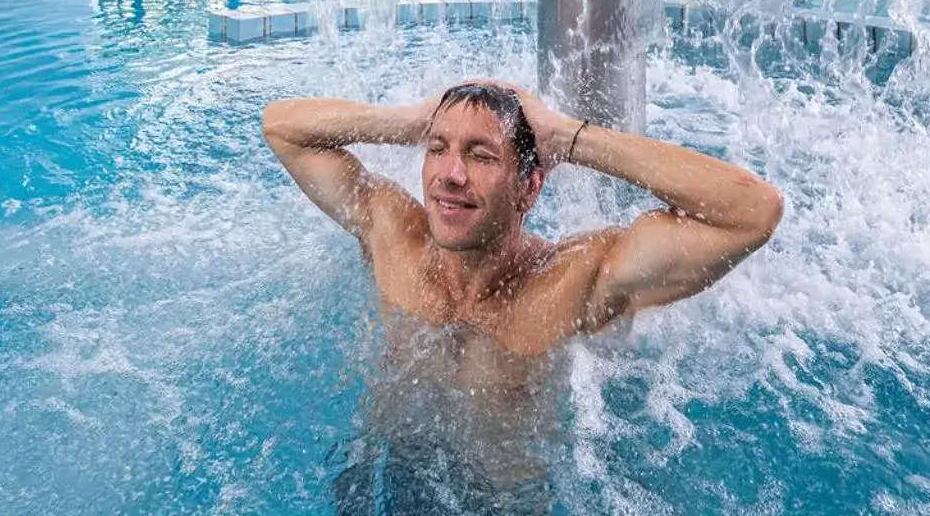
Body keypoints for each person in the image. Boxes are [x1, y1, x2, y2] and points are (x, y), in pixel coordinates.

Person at [262, 79, 783, 511]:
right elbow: (282, 127)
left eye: (480, 155)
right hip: (383, 473)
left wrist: (567, 138)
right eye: (438, 150)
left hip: (502, 500)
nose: (451, 175)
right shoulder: (394, 235)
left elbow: (752, 212)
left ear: (530, 188)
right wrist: (411, 123)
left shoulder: (572, 282)